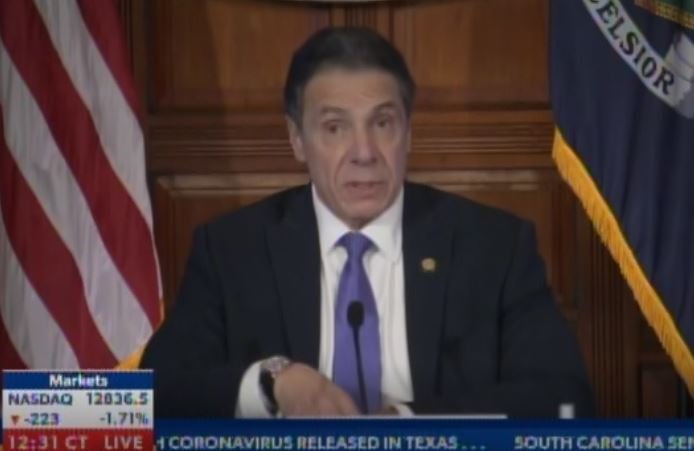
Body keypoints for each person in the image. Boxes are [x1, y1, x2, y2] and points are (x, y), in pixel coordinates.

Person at [141, 26, 594, 418]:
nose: (364, 153)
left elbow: (564, 395)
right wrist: (271, 383)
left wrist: (405, 425)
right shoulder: (232, 251)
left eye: (382, 123)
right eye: (334, 127)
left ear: (408, 132)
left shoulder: (494, 247)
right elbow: (152, 393)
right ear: (297, 139)